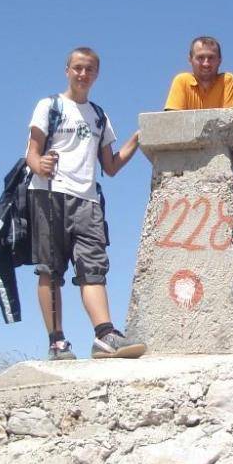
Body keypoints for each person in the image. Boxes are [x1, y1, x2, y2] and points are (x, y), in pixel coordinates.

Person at [25, 46, 146, 361]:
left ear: (97, 74)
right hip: (49, 195)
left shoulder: (99, 116)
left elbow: (111, 166)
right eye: (78, 67)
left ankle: (105, 335)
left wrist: (137, 139)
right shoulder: (49, 106)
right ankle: (57, 342)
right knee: (50, 269)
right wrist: (40, 165)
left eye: (89, 69)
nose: (83, 73)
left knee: (93, 268)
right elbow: (32, 153)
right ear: (67, 70)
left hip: (89, 201)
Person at [164, 36, 233, 111]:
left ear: (220, 60)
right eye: (200, 58)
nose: (206, 64)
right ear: (190, 60)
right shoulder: (182, 81)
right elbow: (172, 118)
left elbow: (232, 118)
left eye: (211, 58)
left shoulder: (227, 81)